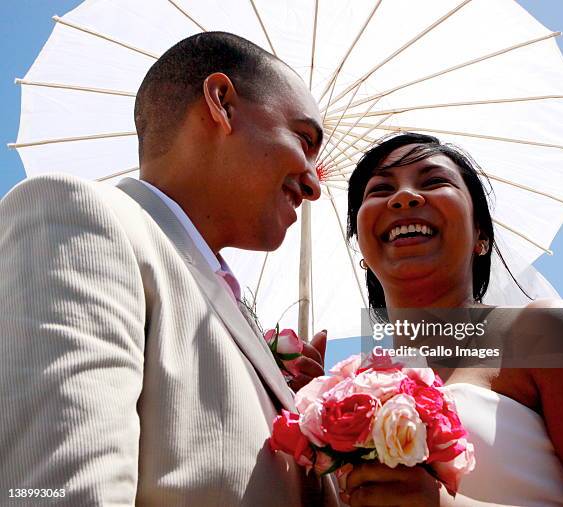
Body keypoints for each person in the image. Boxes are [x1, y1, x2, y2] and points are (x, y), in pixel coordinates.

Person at [0, 32, 338, 506]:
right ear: (222, 102)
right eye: (304, 140)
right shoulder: (80, 220)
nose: (313, 182)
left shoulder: (227, 302)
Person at [339, 132, 563, 506]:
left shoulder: (544, 331)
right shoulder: (347, 391)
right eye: (380, 190)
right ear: (363, 249)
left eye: (434, 181)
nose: (403, 197)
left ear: (480, 235)